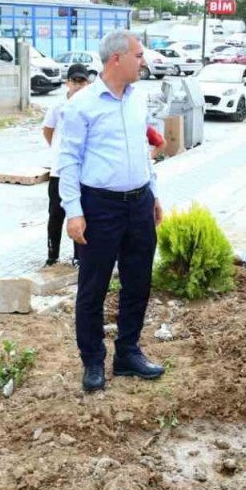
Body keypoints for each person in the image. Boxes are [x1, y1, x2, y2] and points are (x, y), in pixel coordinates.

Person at [58, 30, 165, 392]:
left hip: (138, 203)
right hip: (99, 207)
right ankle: (92, 361)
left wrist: (153, 194)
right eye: (138, 55)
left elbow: (141, 150)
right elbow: (68, 161)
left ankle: (128, 353)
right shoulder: (81, 105)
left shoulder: (138, 99)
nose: (143, 62)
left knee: (138, 281)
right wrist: (74, 211)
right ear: (116, 58)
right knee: (93, 287)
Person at [42, 63, 93, 266]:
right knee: (56, 215)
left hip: (81, 172)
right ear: (67, 83)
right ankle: (52, 255)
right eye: (75, 81)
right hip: (59, 171)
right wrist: (57, 151)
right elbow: (48, 130)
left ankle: (79, 256)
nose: (79, 85)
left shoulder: (89, 106)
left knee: (79, 213)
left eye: (83, 81)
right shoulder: (58, 106)